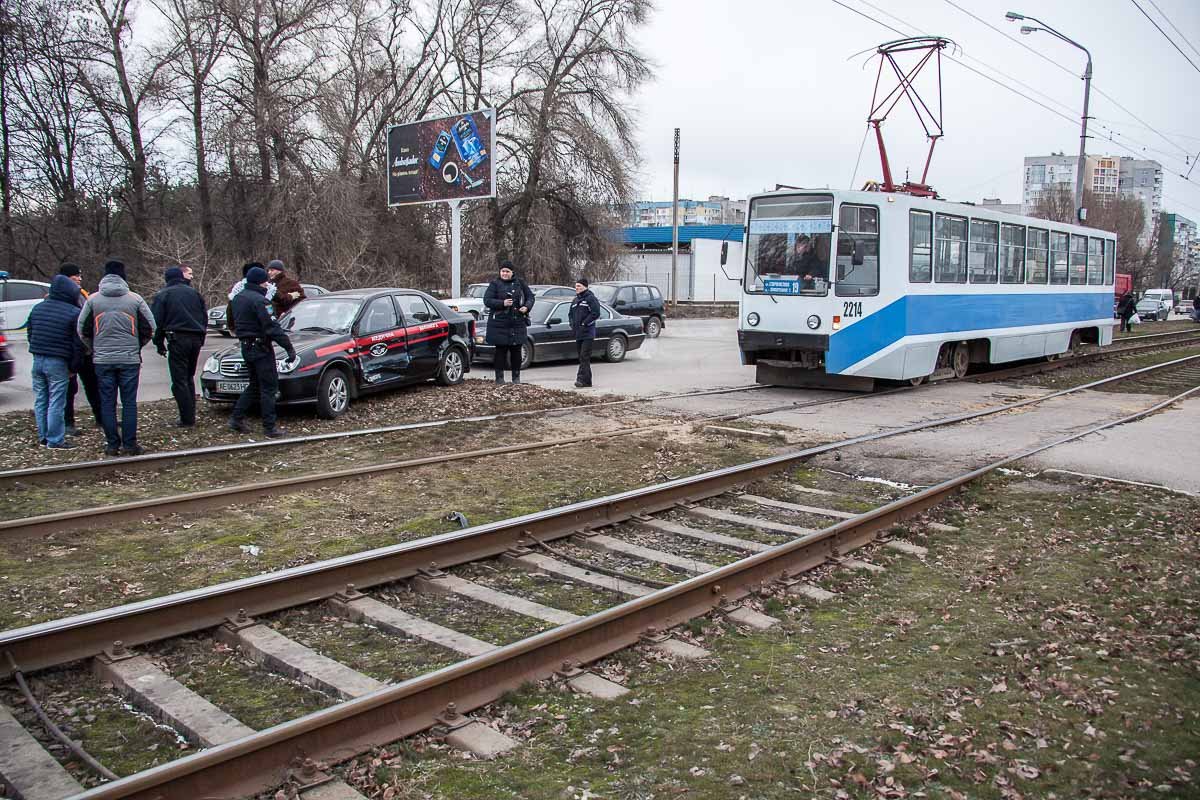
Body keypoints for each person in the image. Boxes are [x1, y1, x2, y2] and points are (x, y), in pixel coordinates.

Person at [77, 260, 156, 456]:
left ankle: (112, 444)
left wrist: (95, 348)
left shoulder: (93, 300)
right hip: (129, 359)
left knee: (107, 402)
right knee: (129, 402)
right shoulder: (135, 299)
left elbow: (82, 330)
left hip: (102, 360)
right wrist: (136, 346)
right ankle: (130, 444)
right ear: (123, 276)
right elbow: (150, 327)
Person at [228, 265, 296, 438]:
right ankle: (269, 427)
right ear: (261, 283)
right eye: (266, 282)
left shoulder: (238, 298)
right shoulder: (260, 301)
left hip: (246, 346)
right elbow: (272, 327)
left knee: (255, 385)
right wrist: (288, 348)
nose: (268, 285)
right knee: (269, 388)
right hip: (261, 347)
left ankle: (236, 418)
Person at [27, 274, 82, 449]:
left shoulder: (38, 308)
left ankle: (43, 436)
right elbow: (77, 344)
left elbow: (30, 332)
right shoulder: (73, 312)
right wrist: (74, 367)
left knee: (41, 398)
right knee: (57, 401)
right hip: (58, 361)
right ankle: (55, 440)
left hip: (37, 359)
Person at [151, 264, 208, 427]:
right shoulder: (194, 293)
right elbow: (204, 316)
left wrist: (158, 342)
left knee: (179, 380)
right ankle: (191, 413)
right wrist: (201, 336)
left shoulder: (164, 294)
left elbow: (157, 321)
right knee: (189, 377)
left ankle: (187, 418)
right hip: (195, 339)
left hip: (177, 339)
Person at [58, 262, 101, 433]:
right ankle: (68, 423)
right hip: (71, 349)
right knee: (69, 389)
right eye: (76, 276)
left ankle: (101, 418)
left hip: (85, 349)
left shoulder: (82, 295)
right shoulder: (64, 296)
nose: (79, 279)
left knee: (93, 385)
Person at [483, 260, 534, 384]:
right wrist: (502, 303)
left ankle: (516, 378)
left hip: (517, 323)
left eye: (507, 271)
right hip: (499, 324)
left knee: (516, 351)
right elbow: (487, 300)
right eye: (503, 271)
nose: (505, 273)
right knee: (500, 352)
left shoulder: (520, 283)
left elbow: (530, 297)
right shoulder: (494, 284)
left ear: (512, 272)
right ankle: (499, 378)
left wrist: (526, 307)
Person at [569, 278, 601, 388]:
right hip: (578, 334)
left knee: (584, 356)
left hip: (588, 333)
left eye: (579, 286)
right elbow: (570, 314)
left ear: (585, 287)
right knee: (583, 358)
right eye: (576, 286)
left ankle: (580, 379)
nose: (576, 288)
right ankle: (588, 381)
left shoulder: (590, 298)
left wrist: (584, 323)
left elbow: (596, 313)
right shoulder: (575, 300)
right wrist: (572, 325)